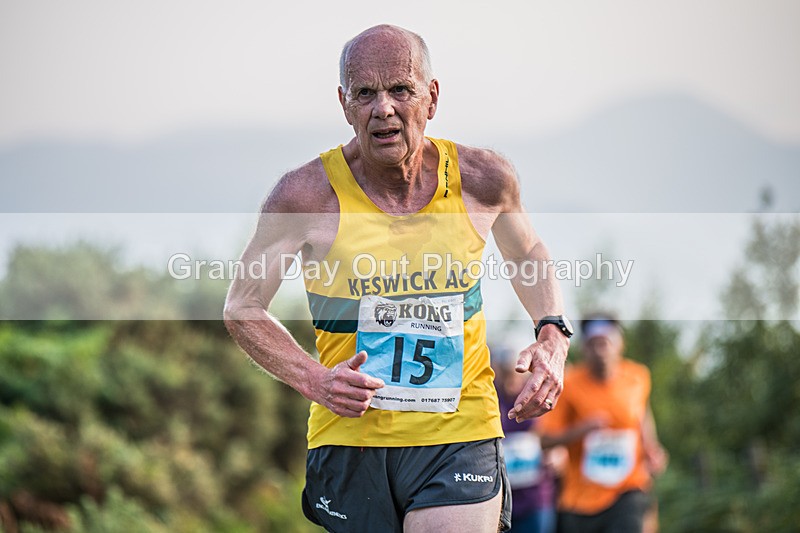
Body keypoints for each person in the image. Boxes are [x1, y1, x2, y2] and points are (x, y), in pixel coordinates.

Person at [223, 24, 572, 533]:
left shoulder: (482, 180)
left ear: (432, 98)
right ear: (344, 105)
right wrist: (315, 380)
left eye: (400, 90)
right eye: (365, 93)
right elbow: (243, 306)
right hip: (351, 439)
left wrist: (553, 334)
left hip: (459, 432)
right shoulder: (304, 196)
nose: (383, 108)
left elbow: (528, 253)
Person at [538, 315, 668, 533]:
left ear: (620, 344)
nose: (600, 350)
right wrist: (582, 429)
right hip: (580, 499)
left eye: (605, 343)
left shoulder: (638, 377)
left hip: (627, 487)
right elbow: (545, 440)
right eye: (593, 344)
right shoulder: (568, 383)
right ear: (584, 348)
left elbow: (642, 415)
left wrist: (652, 448)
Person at [494, 348, 562, 533]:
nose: (511, 384)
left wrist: (558, 453)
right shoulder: (491, 400)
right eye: (506, 376)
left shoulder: (541, 399)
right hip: (500, 500)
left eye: (515, 377)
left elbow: (553, 434)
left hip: (535, 499)